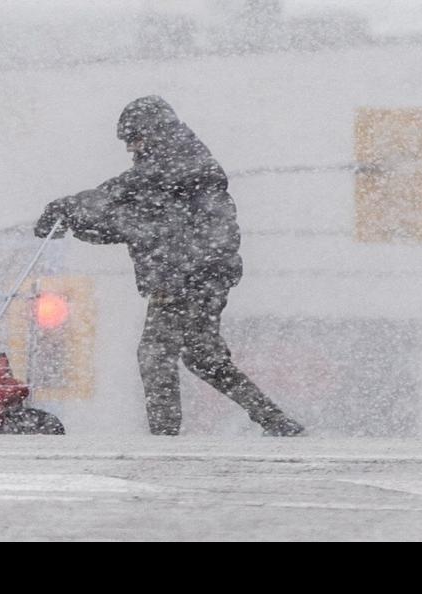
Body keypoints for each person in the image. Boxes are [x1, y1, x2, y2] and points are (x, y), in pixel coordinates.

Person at [35, 96, 305, 437]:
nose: (131, 147)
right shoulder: (173, 170)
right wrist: (75, 223)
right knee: (203, 357)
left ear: (154, 131)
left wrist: (68, 206)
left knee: (154, 355)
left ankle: (164, 439)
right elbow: (125, 222)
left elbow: (120, 197)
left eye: (134, 138)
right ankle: (277, 423)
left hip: (186, 276)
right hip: (197, 276)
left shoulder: (179, 164)